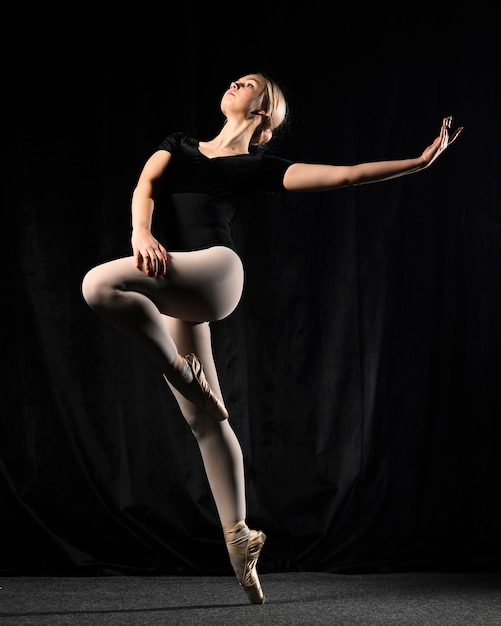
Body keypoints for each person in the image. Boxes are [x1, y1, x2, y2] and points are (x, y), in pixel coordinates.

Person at [81, 72, 462, 604]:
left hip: (214, 272)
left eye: (251, 84)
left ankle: (175, 368)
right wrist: (140, 233)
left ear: (265, 111)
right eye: (236, 79)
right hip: (173, 282)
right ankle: (240, 538)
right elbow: (144, 188)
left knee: (99, 283)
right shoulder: (176, 147)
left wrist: (417, 163)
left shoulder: (259, 166)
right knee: (206, 420)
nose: (237, 83)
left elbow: (346, 176)